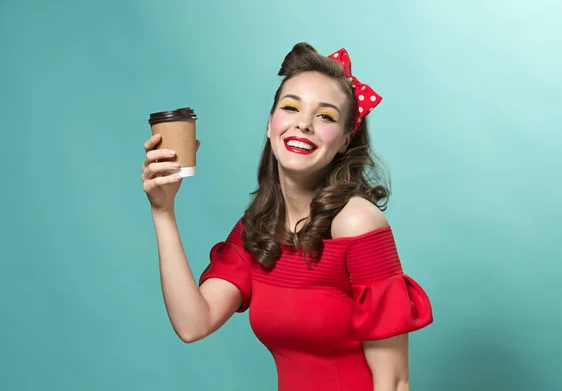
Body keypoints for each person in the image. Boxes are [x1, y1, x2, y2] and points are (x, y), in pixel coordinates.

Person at [141, 42, 433, 391]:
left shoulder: (356, 223)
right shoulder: (259, 226)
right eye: (291, 108)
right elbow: (193, 323)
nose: (303, 124)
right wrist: (163, 211)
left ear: (344, 140)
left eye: (325, 116)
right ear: (270, 124)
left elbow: (395, 380)